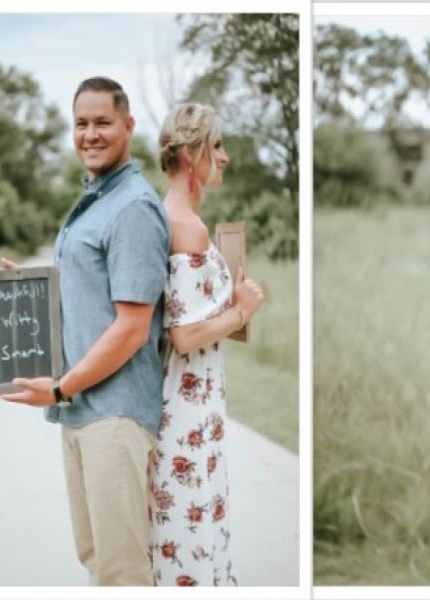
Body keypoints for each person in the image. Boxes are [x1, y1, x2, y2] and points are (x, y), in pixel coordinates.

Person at [0, 77, 169, 586]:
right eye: (81, 123)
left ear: (128, 126)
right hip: (82, 412)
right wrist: (19, 289)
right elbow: (91, 295)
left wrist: (60, 387)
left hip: (115, 414)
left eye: (103, 122)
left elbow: (131, 328)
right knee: (96, 563)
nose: (90, 134)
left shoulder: (132, 209)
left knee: (122, 574)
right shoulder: (95, 200)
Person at [148, 103, 264, 586]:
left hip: (192, 400)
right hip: (186, 404)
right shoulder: (188, 227)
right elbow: (185, 333)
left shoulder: (168, 214)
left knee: (187, 524)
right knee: (190, 530)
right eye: (217, 146)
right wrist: (243, 309)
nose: (226, 156)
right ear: (193, 154)